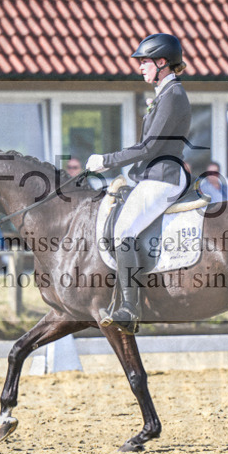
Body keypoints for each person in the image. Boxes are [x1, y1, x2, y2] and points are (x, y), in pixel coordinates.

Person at [86, 33, 191, 335]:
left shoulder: (172, 96)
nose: (140, 67)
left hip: (164, 176)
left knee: (123, 230)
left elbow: (147, 148)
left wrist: (106, 160)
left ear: (162, 62)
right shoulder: (165, 94)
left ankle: (131, 308)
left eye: (145, 61)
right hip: (156, 173)